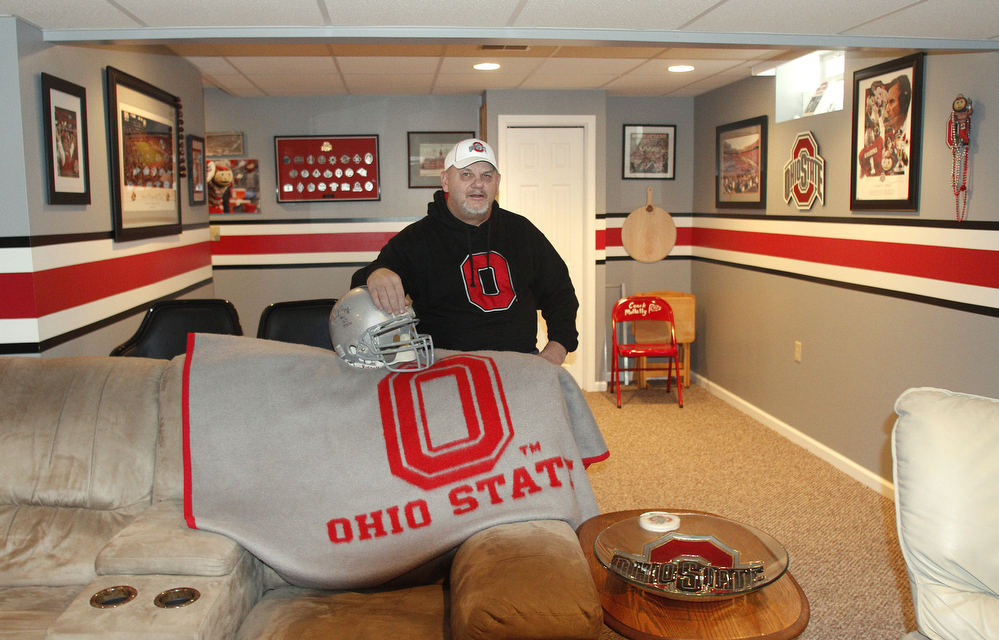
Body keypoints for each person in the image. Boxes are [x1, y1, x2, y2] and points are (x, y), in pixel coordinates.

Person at [350, 138, 578, 366]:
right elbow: (362, 284)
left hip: (518, 367)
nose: (478, 184)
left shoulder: (522, 232)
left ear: (497, 183)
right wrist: (377, 272)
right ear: (446, 181)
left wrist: (557, 348)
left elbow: (560, 292)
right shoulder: (417, 239)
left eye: (486, 175)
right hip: (446, 372)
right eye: (466, 174)